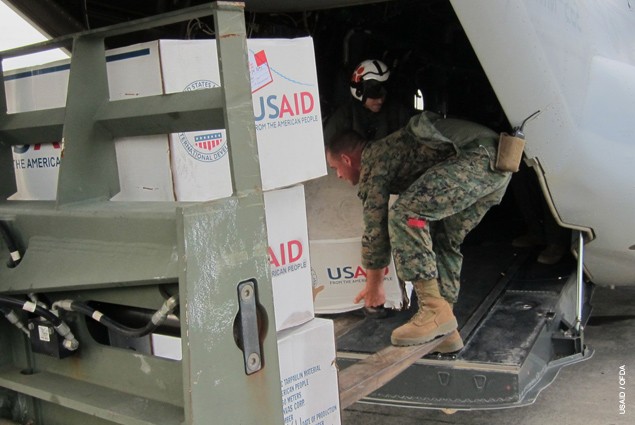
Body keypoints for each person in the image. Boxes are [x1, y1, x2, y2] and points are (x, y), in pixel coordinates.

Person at [325, 111, 512, 349]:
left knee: (405, 215)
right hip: (497, 163)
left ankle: (433, 311)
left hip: (475, 157)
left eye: (335, 168)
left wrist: (374, 286)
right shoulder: (390, 152)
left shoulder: (374, 159)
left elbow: (376, 226)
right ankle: (446, 330)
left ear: (347, 158)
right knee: (442, 238)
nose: (338, 175)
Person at [323, 59, 413, 145]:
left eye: (383, 95)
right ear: (359, 91)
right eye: (374, 95)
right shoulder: (344, 116)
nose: (380, 101)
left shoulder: (397, 113)